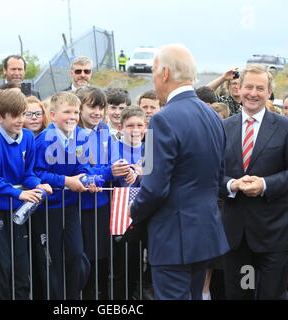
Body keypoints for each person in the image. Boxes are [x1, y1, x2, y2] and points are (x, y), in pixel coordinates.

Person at [130, 44, 229, 300]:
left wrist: (133, 213)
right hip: (204, 232)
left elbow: (153, 187)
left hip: (173, 236)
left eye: (153, 71)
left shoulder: (162, 119)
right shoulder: (213, 117)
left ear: (164, 73)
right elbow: (219, 177)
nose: (152, 78)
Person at [220, 64, 288, 300]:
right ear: (238, 89)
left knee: (270, 296)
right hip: (237, 238)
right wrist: (232, 185)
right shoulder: (223, 128)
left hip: (274, 236)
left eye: (260, 88)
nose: (253, 93)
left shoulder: (287, 128)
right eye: (248, 87)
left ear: (269, 92)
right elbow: (210, 175)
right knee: (241, 294)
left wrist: (265, 184)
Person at [0, 88, 52, 299]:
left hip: (19, 214)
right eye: (15, 115)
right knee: (1, 268)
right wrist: (19, 194)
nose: (20, 120)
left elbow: (28, 174)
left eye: (23, 114)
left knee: (21, 267)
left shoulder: (27, 138)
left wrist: (38, 184)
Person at [33, 91, 98, 299]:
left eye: (76, 112)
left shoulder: (80, 135)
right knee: (52, 261)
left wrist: (87, 178)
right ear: (52, 115)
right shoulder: (44, 139)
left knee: (77, 255)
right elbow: (37, 172)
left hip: (69, 207)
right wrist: (65, 181)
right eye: (67, 112)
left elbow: (85, 166)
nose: (73, 116)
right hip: (47, 209)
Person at [75, 86, 116, 299]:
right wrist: (106, 173)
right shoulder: (73, 134)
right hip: (78, 207)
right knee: (83, 262)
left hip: (101, 205)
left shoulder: (105, 131)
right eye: (92, 106)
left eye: (101, 107)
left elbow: (112, 163)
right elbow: (83, 172)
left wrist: (122, 170)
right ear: (79, 108)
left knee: (102, 260)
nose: (97, 112)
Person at [110, 106, 147, 299]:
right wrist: (134, 169)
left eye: (139, 125)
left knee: (142, 265)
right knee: (123, 265)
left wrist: (142, 171)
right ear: (120, 127)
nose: (135, 130)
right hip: (121, 215)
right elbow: (118, 168)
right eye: (130, 125)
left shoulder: (151, 148)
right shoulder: (114, 147)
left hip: (146, 213)